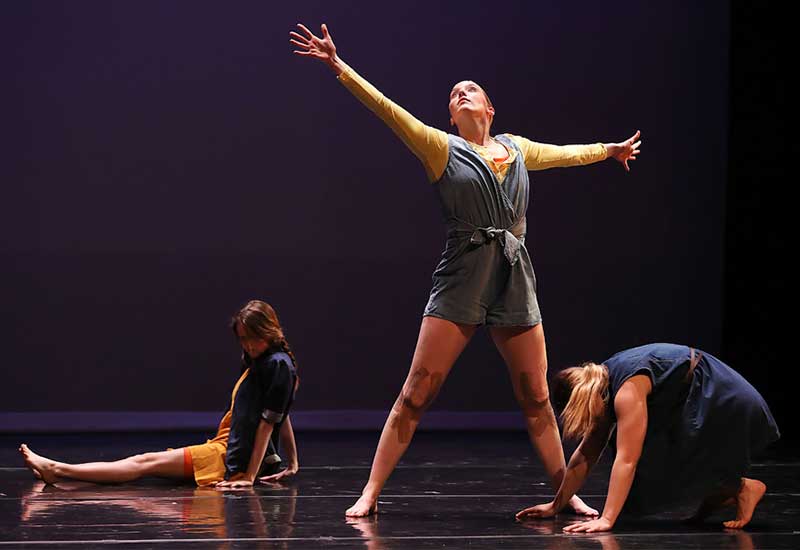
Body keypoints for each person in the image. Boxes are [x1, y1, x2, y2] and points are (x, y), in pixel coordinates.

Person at [290, 22, 641, 517]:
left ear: (489, 109)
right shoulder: (440, 147)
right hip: (463, 274)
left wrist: (610, 150)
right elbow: (388, 111)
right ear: (452, 117)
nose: (460, 94)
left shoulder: (517, 149)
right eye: (454, 94)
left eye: (469, 89)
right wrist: (337, 66)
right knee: (416, 392)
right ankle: (371, 491)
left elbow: (566, 154)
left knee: (537, 396)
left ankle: (567, 495)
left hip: (515, 276)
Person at [19, 300, 300, 489]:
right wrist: (293, 463)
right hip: (225, 448)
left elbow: (269, 423)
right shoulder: (263, 361)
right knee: (144, 463)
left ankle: (57, 470)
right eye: (242, 339)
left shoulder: (277, 365)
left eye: (253, 338)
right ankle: (60, 471)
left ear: (268, 330)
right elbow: (281, 413)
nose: (248, 345)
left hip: (226, 457)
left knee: (143, 462)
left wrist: (248, 476)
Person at [516, 343, 780, 531]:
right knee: (658, 459)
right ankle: (721, 491)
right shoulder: (605, 385)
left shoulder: (625, 392)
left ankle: (743, 488)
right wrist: (556, 504)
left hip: (722, 397)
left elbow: (627, 459)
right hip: (694, 399)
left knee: (649, 459)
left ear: (584, 399)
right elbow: (585, 455)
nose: (591, 423)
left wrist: (607, 520)